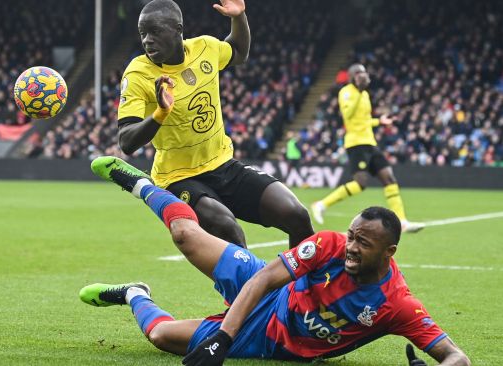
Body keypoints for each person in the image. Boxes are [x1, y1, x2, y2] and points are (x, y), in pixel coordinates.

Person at [81, 156, 471, 366]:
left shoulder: (396, 305)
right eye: (352, 236)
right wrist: (222, 338)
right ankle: (142, 185)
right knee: (186, 235)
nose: (351, 247)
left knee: (160, 337)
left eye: (363, 243)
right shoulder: (329, 245)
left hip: (270, 341)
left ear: (389, 254)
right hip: (273, 294)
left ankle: (135, 294)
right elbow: (266, 278)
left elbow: (457, 357)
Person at [116, 0, 313, 249]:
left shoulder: (205, 48)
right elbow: (126, 140)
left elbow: (239, 52)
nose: (147, 40)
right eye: (143, 33)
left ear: (178, 29)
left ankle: (303, 286)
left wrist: (239, 17)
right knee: (227, 228)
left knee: (296, 215)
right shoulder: (138, 74)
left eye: (155, 32)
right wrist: (160, 114)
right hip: (177, 177)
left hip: (222, 165)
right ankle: (251, 288)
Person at [311, 64, 424, 233]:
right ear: (351, 77)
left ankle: (402, 221)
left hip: (370, 142)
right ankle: (321, 204)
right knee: (360, 183)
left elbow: (363, 120)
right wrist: (358, 91)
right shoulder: (347, 92)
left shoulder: (364, 94)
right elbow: (348, 116)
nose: (362, 76)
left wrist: (379, 121)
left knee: (389, 178)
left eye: (363, 73)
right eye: (358, 74)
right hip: (356, 143)